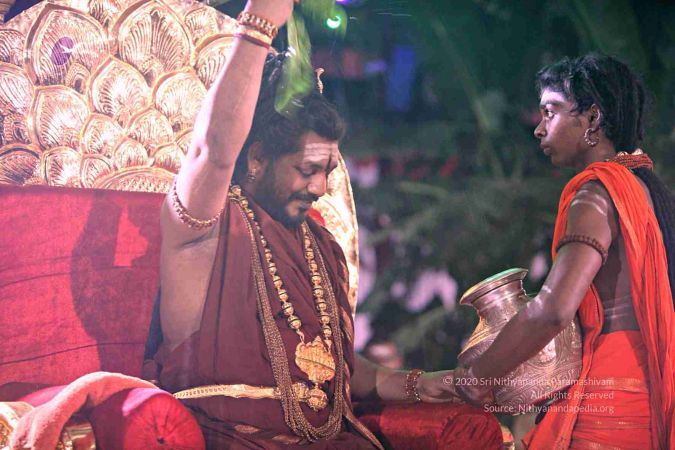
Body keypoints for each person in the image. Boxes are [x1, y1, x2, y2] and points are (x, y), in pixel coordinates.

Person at [146, 1, 454, 447]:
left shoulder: (319, 244)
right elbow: (213, 151)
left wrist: (417, 384)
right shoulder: (206, 230)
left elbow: (333, 368)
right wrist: (259, 25)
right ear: (257, 159)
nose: (321, 188)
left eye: (327, 171)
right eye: (307, 170)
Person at [446, 53, 675, 449]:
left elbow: (552, 309)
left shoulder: (596, 194)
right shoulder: (647, 189)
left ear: (592, 119)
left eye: (550, 112)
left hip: (606, 404)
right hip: (645, 388)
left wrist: (479, 377)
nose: (539, 129)